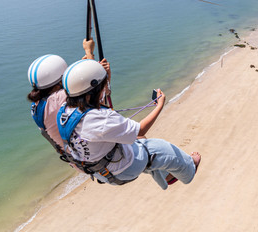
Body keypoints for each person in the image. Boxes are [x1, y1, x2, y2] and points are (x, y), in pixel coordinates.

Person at [57, 59, 200, 189]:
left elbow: (96, 109)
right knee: (161, 148)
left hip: (101, 171)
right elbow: (139, 130)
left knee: (143, 145)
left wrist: (103, 77)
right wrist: (159, 105)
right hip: (122, 170)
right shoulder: (100, 119)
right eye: (103, 85)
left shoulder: (64, 111)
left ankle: (165, 177)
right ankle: (190, 167)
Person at [26, 39, 100, 161]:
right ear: (60, 82)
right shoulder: (60, 97)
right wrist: (89, 51)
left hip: (79, 161)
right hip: (95, 157)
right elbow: (94, 83)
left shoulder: (37, 106)